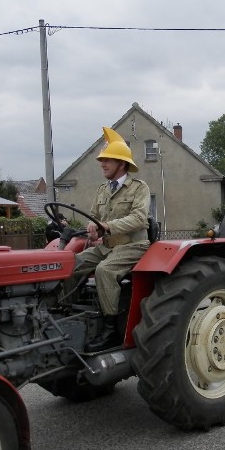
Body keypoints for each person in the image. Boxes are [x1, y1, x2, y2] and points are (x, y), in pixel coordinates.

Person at [71, 127, 151, 351]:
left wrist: (107, 226)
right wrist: (92, 227)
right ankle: (67, 317)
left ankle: (110, 331)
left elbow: (138, 218)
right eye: (102, 160)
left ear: (122, 164)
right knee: (70, 264)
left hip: (133, 245)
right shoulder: (102, 190)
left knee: (104, 271)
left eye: (107, 160)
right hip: (106, 247)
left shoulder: (138, 188)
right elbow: (94, 217)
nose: (102, 164)